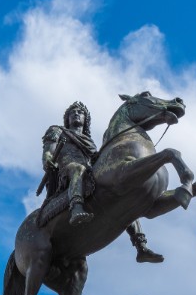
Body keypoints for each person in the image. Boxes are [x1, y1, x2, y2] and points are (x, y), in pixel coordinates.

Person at [40, 101, 164, 262]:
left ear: (85, 119)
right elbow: (48, 150)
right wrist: (48, 157)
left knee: (123, 193)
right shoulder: (57, 131)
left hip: (89, 171)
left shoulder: (89, 142)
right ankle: (76, 207)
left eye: (80, 112)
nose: (76, 114)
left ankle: (141, 246)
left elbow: (95, 158)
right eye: (72, 112)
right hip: (68, 169)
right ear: (67, 118)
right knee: (78, 169)